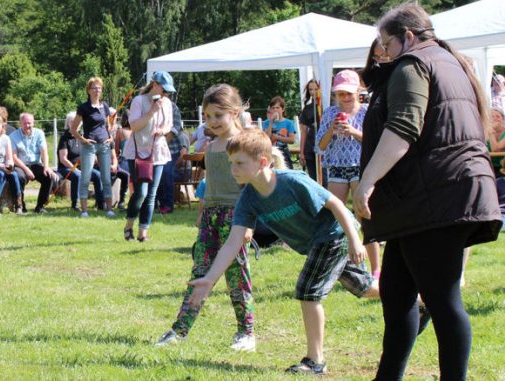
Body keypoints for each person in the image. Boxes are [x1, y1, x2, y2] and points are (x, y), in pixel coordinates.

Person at [353, 4, 502, 379]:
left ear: (408, 36)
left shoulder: (414, 64)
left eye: (386, 43)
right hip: (430, 199)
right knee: (396, 293)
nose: (382, 52)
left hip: (437, 199)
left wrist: (366, 182)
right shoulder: (450, 61)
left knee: (443, 301)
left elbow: (403, 127)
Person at [187, 128, 380, 375]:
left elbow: (336, 205)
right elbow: (233, 242)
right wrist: (209, 280)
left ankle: (315, 361)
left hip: (334, 235)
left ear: (263, 162)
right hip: (317, 243)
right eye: (231, 163)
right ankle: (419, 301)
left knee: (308, 292)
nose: (233, 168)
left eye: (239, 163)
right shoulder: (248, 198)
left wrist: (355, 240)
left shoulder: (292, 181)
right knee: (364, 289)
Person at [156, 84, 256, 352]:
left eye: (218, 115)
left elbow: (252, 190)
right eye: (207, 116)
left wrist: (248, 225)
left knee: (237, 276)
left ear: (234, 112)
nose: (212, 121)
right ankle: (179, 330)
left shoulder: (245, 145)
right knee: (199, 273)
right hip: (211, 218)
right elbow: (209, 187)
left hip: (236, 219)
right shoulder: (210, 148)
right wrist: (202, 216)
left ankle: (246, 333)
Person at [316, 70, 381, 280]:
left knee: (366, 218)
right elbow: (320, 146)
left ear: (358, 91)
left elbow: (376, 143)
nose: (344, 98)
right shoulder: (329, 113)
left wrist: (353, 132)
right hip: (336, 167)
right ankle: (339, 270)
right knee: (337, 219)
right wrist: (331, 131)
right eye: (340, 93)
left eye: (348, 93)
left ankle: (375, 271)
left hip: (361, 167)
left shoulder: (367, 112)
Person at [122, 71, 174, 242]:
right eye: (164, 90)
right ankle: (129, 225)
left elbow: (169, 125)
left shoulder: (167, 103)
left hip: (157, 151)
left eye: (168, 91)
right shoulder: (139, 101)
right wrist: (152, 111)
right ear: (155, 84)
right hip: (138, 152)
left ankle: (143, 232)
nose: (166, 94)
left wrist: (163, 131)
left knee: (151, 194)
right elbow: (135, 126)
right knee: (141, 193)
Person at [69, 77, 115, 217]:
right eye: (94, 88)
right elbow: (73, 129)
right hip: (89, 147)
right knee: (86, 177)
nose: (97, 90)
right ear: (88, 91)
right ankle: (84, 210)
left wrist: (111, 136)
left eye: (99, 88)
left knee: (106, 178)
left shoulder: (105, 106)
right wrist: (83, 140)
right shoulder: (83, 107)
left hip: (104, 146)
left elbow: (109, 124)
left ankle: (109, 209)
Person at [11, 112, 60, 213]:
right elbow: (14, 157)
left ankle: (40, 206)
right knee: (19, 177)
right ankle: (20, 206)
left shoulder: (39, 133)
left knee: (48, 176)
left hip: (36, 164)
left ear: (33, 123)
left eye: (29, 123)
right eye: (24, 123)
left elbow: (44, 152)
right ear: (20, 123)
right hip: (21, 164)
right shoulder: (13, 136)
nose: (27, 126)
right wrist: (26, 169)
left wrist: (46, 167)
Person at [57, 112, 104, 211]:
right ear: (68, 123)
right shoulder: (64, 138)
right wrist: (75, 170)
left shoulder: (83, 137)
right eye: (72, 122)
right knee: (78, 176)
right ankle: (76, 204)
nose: (75, 124)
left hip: (82, 167)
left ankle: (100, 203)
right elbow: (63, 159)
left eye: (77, 122)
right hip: (66, 168)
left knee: (97, 175)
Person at [157, 125, 189, 214]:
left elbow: (182, 156)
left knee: (163, 177)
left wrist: (172, 166)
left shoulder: (181, 136)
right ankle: (161, 204)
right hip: (180, 171)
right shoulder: (182, 136)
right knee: (160, 176)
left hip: (182, 172)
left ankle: (166, 205)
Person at [298, 80, 323, 183]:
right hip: (310, 147)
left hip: (324, 147)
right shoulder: (307, 109)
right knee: (313, 180)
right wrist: (302, 152)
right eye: (310, 89)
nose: (313, 92)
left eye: (316, 89)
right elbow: (303, 132)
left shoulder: (327, 106)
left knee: (324, 179)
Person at [263, 96, 295, 169]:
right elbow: (266, 138)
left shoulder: (288, 123)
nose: (275, 110)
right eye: (273, 108)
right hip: (270, 151)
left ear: (282, 109)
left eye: (277, 108)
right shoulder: (266, 123)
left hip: (284, 151)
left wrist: (277, 137)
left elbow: (292, 140)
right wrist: (271, 122)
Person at [487, 107, 505, 177]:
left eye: (498, 116)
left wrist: (491, 131)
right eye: (492, 117)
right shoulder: (484, 132)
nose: (494, 119)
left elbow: (495, 149)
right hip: (489, 167)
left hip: (502, 168)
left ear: (503, 119)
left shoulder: (489, 132)